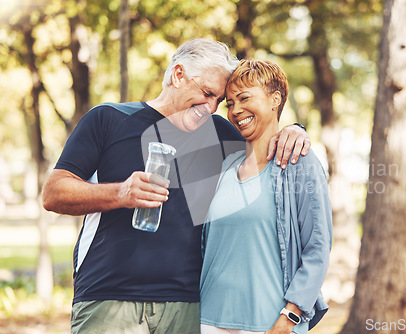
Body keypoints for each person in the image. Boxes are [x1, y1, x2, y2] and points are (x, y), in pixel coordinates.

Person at [41, 39, 311, 334]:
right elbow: (54, 193)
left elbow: (265, 139)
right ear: (178, 75)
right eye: (207, 93)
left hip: (188, 307)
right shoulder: (108, 119)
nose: (210, 107)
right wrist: (120, 192)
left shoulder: (222, 134)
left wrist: (295, 131)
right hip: (109, 297)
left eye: (218, 101)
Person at [200, 59, 332, 334]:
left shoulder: (300, 164)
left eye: (244, 98)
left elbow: (317, 248)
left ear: (275, 99)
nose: (236, 111)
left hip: (269, 325)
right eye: (230, 103)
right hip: (209, 321)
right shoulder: (225, 167)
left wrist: (289, 318)